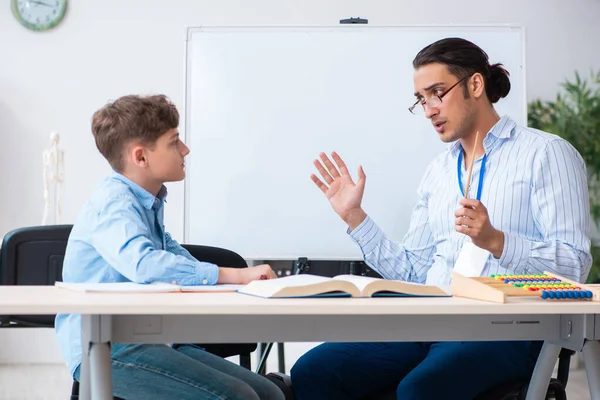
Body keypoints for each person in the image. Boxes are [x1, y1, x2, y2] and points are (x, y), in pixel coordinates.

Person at [291, 37, 592, 400]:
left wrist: (498, 242)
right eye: (421, 99)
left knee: (420, 390)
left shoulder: (547, 154)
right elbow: (416, 272)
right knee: (315, 371)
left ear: (475, 85)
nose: (430, 108)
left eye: (437, 92)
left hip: (504, 329)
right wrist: (355, 218)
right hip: (428, 320)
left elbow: (575, 266)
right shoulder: (437, 172)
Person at [54, 94, 284, 400]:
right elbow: (145, 264)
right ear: (141, 157)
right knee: (239, 398)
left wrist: (246, 283)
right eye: (174, 142)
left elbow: (172, 256)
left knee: (269, 394)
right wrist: (235, 276)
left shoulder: (146, 201)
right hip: (106, 348)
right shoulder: (114, 203)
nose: (185, 150)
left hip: (151, 339)